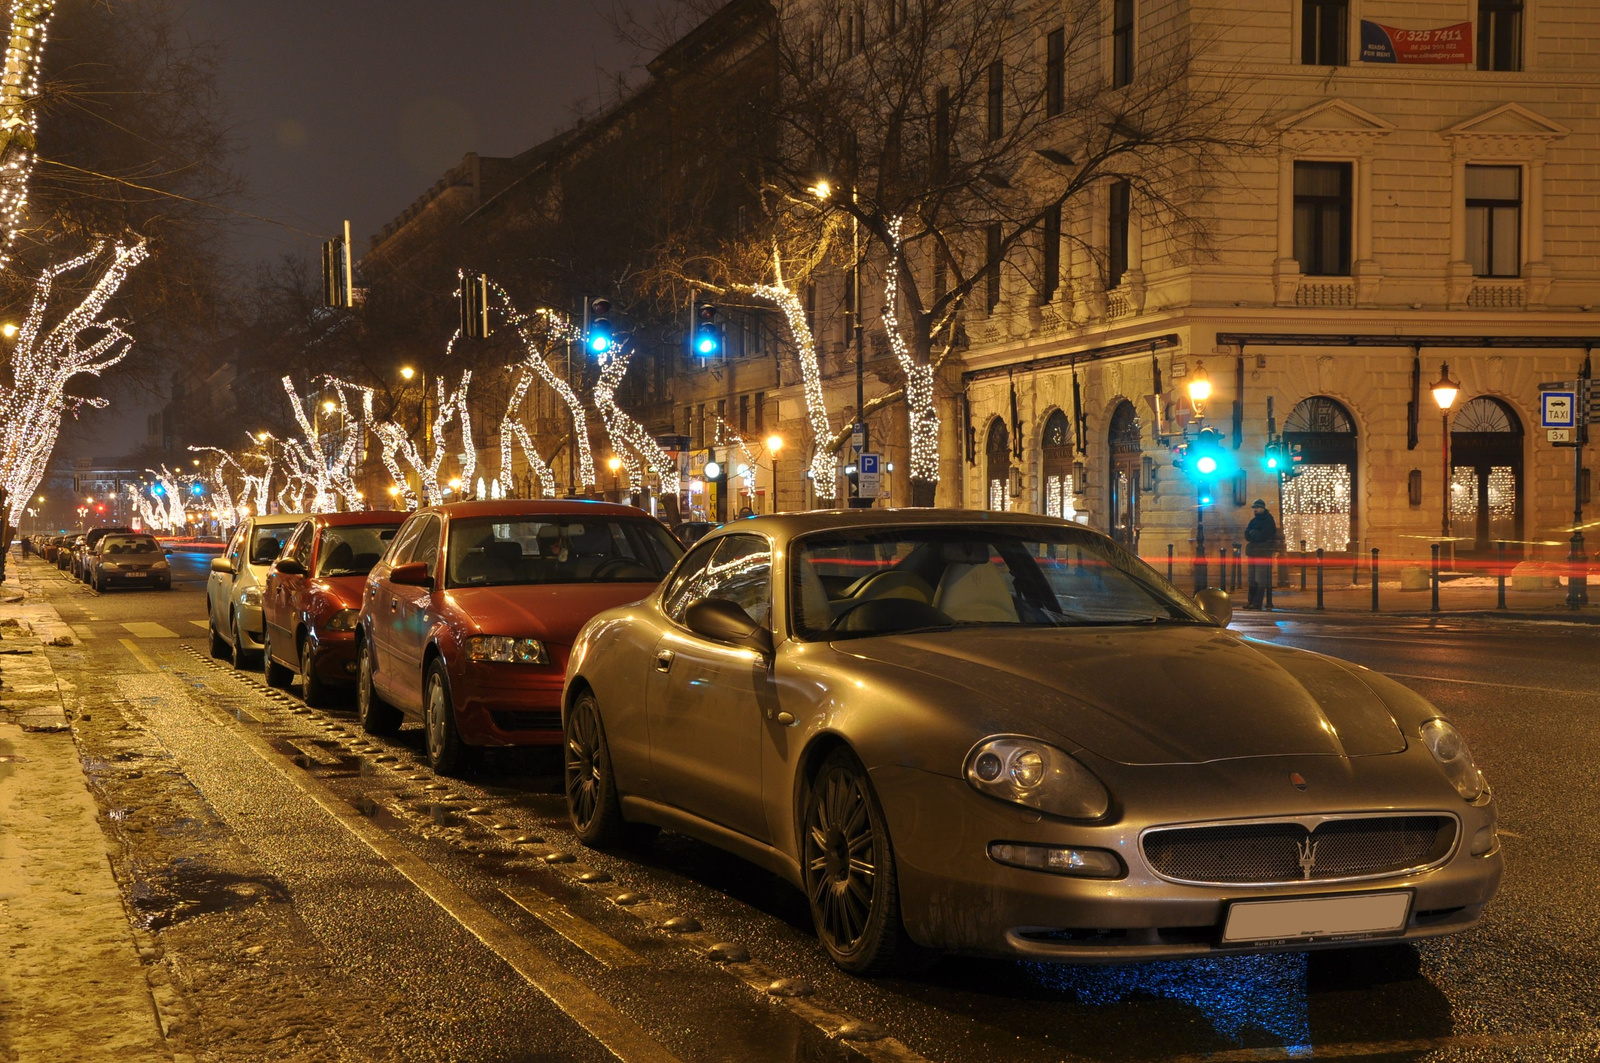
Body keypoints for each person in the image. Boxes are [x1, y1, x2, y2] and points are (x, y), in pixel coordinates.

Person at [1243, 499, 1277, 610]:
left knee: (1259, 579)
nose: (1255, 510)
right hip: (1253, 551)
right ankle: (1251, 601)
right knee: (1251, 578)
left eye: (1257, 508)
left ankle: (1257, 603)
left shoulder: (1268, 520)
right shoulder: (1254, 521)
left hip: (1263, 552)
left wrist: (1254, 533)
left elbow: (1263, 535)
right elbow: (1247, 534)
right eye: (1254, 508)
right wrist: (1253, 533)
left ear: (1262, 508)